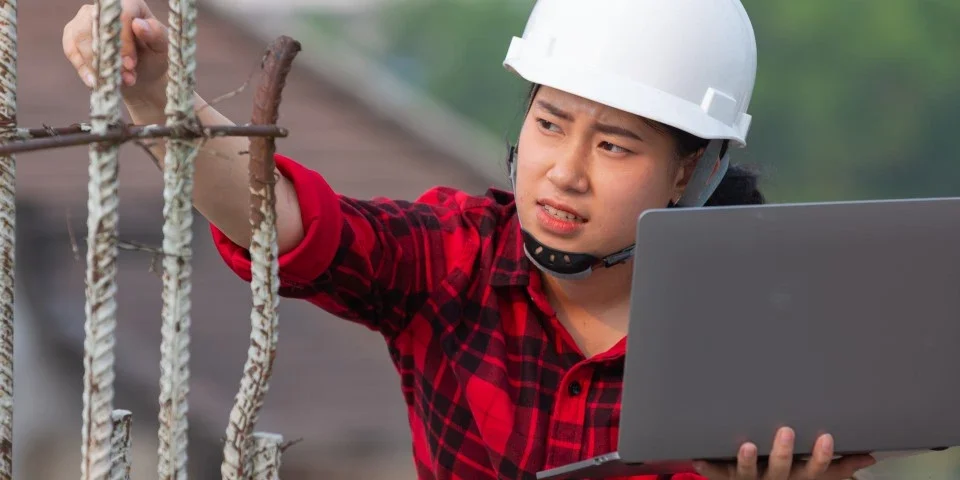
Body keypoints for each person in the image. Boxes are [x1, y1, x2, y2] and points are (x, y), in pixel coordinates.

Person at [62, 0, 878, 479]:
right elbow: (280, 222)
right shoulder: (452, 259)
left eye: (615, 145)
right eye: (552, 124)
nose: (565, 172)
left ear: (687, 171)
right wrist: (158, 93)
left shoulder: (758, 334)